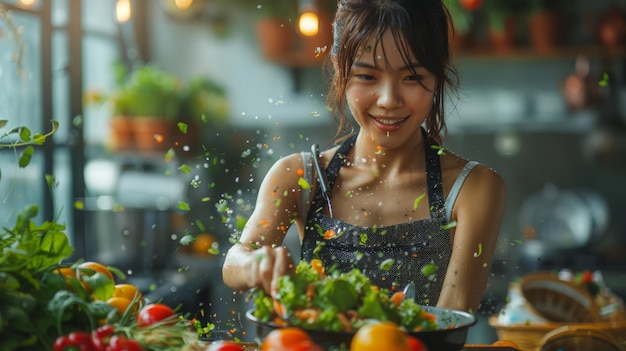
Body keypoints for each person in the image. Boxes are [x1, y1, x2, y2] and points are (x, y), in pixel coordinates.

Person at [222, 0, 506, 313]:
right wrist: (255, 264)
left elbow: (452, 319)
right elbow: (234, 262)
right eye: (367, 77)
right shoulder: (299, 176)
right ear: (340, 73)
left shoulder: (473, 188)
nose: (389, 100)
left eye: (411, 77)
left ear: (437, 75)